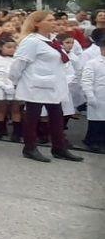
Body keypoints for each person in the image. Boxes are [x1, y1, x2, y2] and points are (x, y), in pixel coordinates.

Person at [10, 11, 84, 163]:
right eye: (49, 20)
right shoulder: (32, 41)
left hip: (52, 86)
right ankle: (29, 148)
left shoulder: (51, 40)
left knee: (57, 117)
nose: (54, 22)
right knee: (33, 117)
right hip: (36, 85)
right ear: (37, 23)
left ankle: (59, 148)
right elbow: (18, 64)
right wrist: (15, 81)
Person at [78, 32, 105, 154]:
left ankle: (101, 141)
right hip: (97, 96)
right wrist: (90, 96)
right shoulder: (93, 63)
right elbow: (86, 81)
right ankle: (93, 141)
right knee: (96, 122)